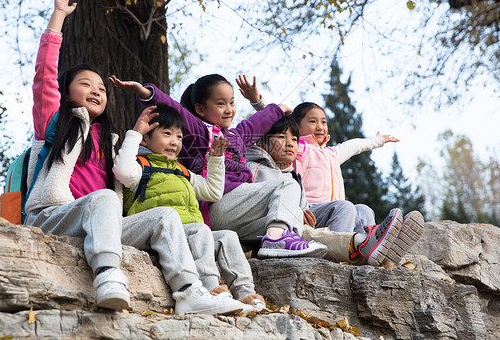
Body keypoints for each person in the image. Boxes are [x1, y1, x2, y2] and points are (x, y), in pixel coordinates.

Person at [25, 0, 243, 315]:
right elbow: (44, 78)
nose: (96, 90)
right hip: (55, 215)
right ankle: (109, 276)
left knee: (165, 216)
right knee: (104, 199)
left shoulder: (114, 143)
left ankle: (189, 292)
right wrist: (58, 18)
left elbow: (133, 172)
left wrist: (138, 134)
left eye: (101, 87)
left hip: (105, 220)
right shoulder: (56, 127)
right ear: (66, 92)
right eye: (86, 84)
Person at [109, 74, 327, 259]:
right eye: (220, 103)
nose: (229, 109)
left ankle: (270, 246)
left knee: (292, 216)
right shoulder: (199, 132)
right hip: (219, 203)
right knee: (286, 184)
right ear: (201, 109)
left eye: (232, 103)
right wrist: (148, 93)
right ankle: (277, 241)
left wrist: (278, 109)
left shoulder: (238, 136)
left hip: (237, 214)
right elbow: (174, 107)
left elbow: (259, 122)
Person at [238, 76, 424, 265]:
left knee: (363, 210)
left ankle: (376, 251)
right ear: (295, 127)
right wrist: (257, 101)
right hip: (309, 210)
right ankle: (337, 257)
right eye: (312, 121)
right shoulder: (298, 149)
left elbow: (354, 145)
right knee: (345, 206)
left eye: (324, 122)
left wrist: (377, 141)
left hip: (333, 213)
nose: (320, 126)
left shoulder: (332, 153)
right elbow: (271, 122)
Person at [113, 103, 265, 313]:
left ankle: (246, 294)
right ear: (146, 138)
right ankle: (212, 290)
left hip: (191, 236)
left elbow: (212, 192)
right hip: (161, 233)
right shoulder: (140, 166)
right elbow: (121, 171)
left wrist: (216, 159)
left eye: (179, 137)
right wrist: (135, 134)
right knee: (200, 229)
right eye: (167, 134)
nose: (174, 142)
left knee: (227, 237)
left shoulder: (181, 171)